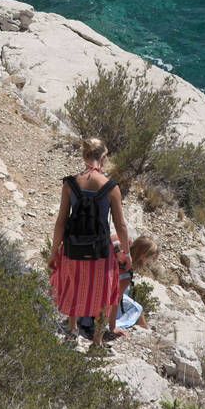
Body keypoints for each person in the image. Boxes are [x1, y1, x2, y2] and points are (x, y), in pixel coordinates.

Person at [48, 137, 131, 352]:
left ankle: (72, 331)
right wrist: (126, 253)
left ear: (84, 156)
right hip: (101, 251)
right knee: (104, 293)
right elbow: (120, 225)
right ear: (103, 158)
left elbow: (61, 221)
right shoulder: (111, 187)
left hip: (72, 247)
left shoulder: (70, 184)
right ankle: (97, 342)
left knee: (74, 285)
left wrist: (54, 251)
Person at [109, 235, 159, 336]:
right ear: (143, 256)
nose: (148, 261)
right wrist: (112, 327)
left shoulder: (121, 241)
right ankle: (147, 334)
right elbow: (114, 300)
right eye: (149, 258)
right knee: (138, 309)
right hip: (104, 304)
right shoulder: (126, 274)